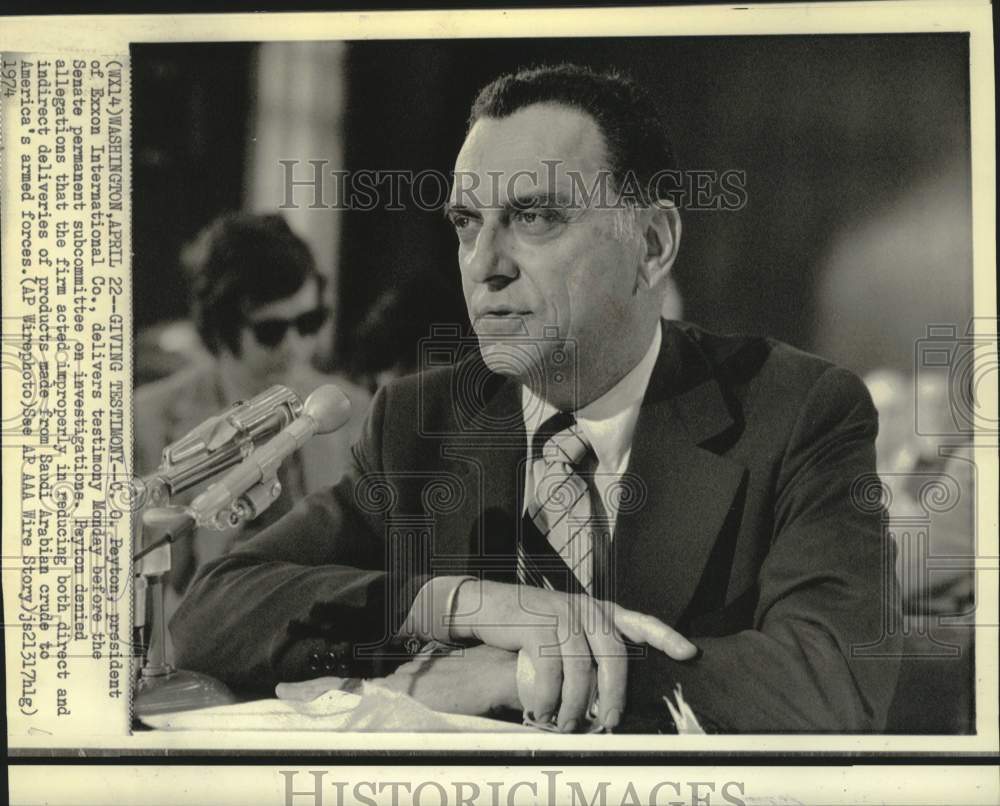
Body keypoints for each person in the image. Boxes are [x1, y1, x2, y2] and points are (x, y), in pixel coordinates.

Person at [171, 66, 901, 733]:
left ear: (651, 244)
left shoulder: (798, 411)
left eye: (535, 218)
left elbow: (830, 681)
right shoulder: (420, 421)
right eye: (466, 224)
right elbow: (216, 610)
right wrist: (465, 605)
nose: (483, 267)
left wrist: (520, 672)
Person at [135, 212, 372, 597]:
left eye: (310, 322)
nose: (297, 347)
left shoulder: (354, 410)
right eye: (271, 331)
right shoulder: (145, 420)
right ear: (221, 325)